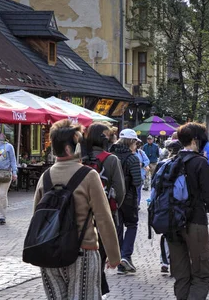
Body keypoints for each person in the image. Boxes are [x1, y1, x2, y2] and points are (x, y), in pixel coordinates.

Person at [34, 119, 120, 299]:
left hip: (50, 253)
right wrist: (113, 256)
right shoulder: (89, 175)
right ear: (69, 148)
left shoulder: (45, 176)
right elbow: (103, 218)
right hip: (83, 252)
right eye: (79, 142)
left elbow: (37, 217)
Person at [166, 122, 209, 300]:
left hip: (172, 224)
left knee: (181, 275)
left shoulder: (170, 162)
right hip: (195, 223)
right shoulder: (200, 163)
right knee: (201, 273)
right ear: (195, 140)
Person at [83, 122, 126, 296]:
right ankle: (98, 291)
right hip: (104, 214)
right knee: (100, 256)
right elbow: (120, 190)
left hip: (81, 215)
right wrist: (114, 208)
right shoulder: (111, 159)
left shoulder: (80, 158)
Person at [110, 129, 143, 274]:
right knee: (131, 225)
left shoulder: (110, 155)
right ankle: (126, 256)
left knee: (117, 227)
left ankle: (119, 262)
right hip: (129, 197)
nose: (136, 145)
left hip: (112, 197)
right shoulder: (132, 158)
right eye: (135, 142)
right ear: (131, 142)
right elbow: (137, 181)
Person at [155, 139, 183, 275]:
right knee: (178, 234)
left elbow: (155, 187)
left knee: (166, 233)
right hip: (179, 206)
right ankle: (175, 262)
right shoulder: (183, 166)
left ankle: (164, 261)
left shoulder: (162, 164)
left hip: (164, 204)